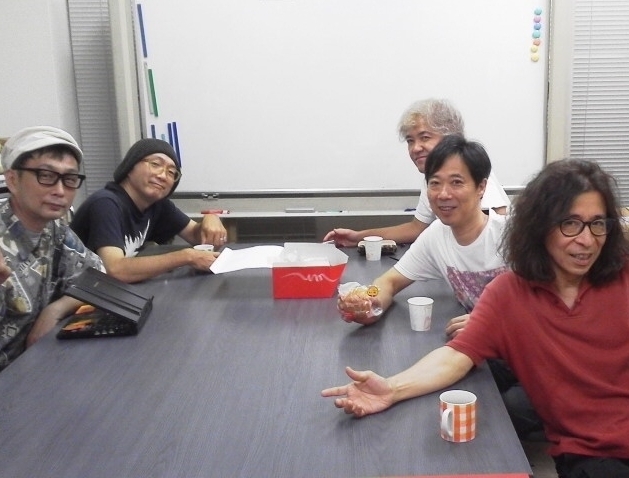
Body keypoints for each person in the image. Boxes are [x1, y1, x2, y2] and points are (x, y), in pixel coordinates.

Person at [323, 158, 629, 478]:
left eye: (598, 224)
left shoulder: (618, 277)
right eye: (571, 224)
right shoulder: (499, 285)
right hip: (595, 454)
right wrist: (389, 381)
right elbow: (452, 353)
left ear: (481, 187)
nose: (587, 240)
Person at [338, 134, 507, 333]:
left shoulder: (510, 235)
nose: (443, 194)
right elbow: (389, 282)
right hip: (475, 342)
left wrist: (488, 321)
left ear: (481, 187)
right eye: (435, 183)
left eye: (456, 182)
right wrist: (370, 302)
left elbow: (539, 307)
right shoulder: (436, 236)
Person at [323, 99, 510, 246]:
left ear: (451, 138)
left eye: (424, 137)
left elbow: (499, 222)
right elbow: (416, 228)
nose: (415, 148)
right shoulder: (432, 176)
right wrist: (358, 237)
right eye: (410, 141)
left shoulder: (470, 171)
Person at [0, 126, 104, 371]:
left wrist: (55, 310)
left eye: (69, 179)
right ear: (13, 180)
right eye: (45, 175)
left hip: (35, 368)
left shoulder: (55, 229)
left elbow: (99, 276)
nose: (59, 191)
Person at [71, 138, 228, 283]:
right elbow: (115, 269)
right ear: (130, 167)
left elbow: (196, 236)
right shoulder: (106, 203)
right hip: (76, 294)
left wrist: (210, 219)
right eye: (155, 164)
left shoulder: (157, 205)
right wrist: (186, 257)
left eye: (171, 172)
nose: (163, 176)